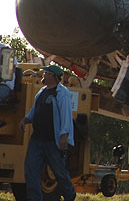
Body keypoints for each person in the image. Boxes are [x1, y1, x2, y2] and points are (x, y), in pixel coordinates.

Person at [18, 64, 76, 201]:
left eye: (46, 73)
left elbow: (66, 116)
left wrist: (63, 135)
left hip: (53, 142)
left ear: (53, 76)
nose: (43, 75)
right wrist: (26, 120)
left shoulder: (62, 93)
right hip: (37, 140)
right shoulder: (42, 92)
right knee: (31, 170)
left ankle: (70, 195)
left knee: (59, 172)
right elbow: (35, 110)